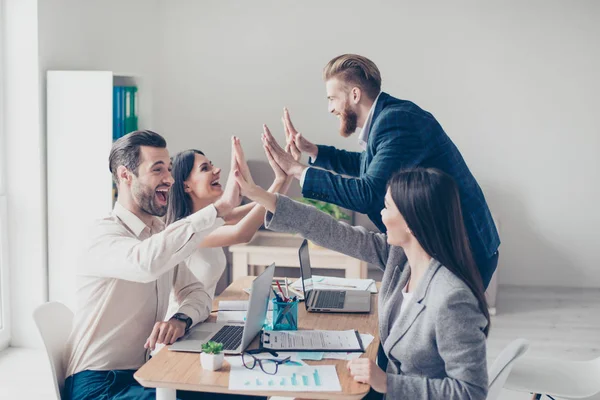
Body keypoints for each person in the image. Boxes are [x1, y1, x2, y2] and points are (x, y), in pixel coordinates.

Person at [232, 144, 490, 399]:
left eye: (387, 207)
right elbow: (331, 231)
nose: (381, 213)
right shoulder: (399, 259)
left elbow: (471, 392)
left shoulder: (452, 298)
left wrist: (388, 383)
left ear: (412, 222)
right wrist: (258, 194)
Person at [261, 53, 500, 287]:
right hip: (448, 243)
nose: (330, 109)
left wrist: (295, 169)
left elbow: (368, 193)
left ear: (354, 94)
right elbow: (369, 166)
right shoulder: (389, 116)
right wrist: (315, 151)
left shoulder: (396, 122)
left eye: (332, 98)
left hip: (463, 248)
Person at [63, 130, 246, 400]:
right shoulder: (102, 235)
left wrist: (181, 319)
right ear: (126, 175)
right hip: (100, 384)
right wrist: (220, 208)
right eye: (158, 170)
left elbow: (196, 293)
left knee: (245, 391)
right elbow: (145, 264)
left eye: (169, 169)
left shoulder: (157, 234)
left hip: (149, 371)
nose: (170, 179)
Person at [165, 137, 296, 302]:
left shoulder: (211, 219)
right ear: (186, 186)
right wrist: (276, 180)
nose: (217, 170)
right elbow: (241, 234)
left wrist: (284, 176)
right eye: (205, 168)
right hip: (181, 322)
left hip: (202, 315)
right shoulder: (187, 230)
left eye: (211, 165)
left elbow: (262, 205)